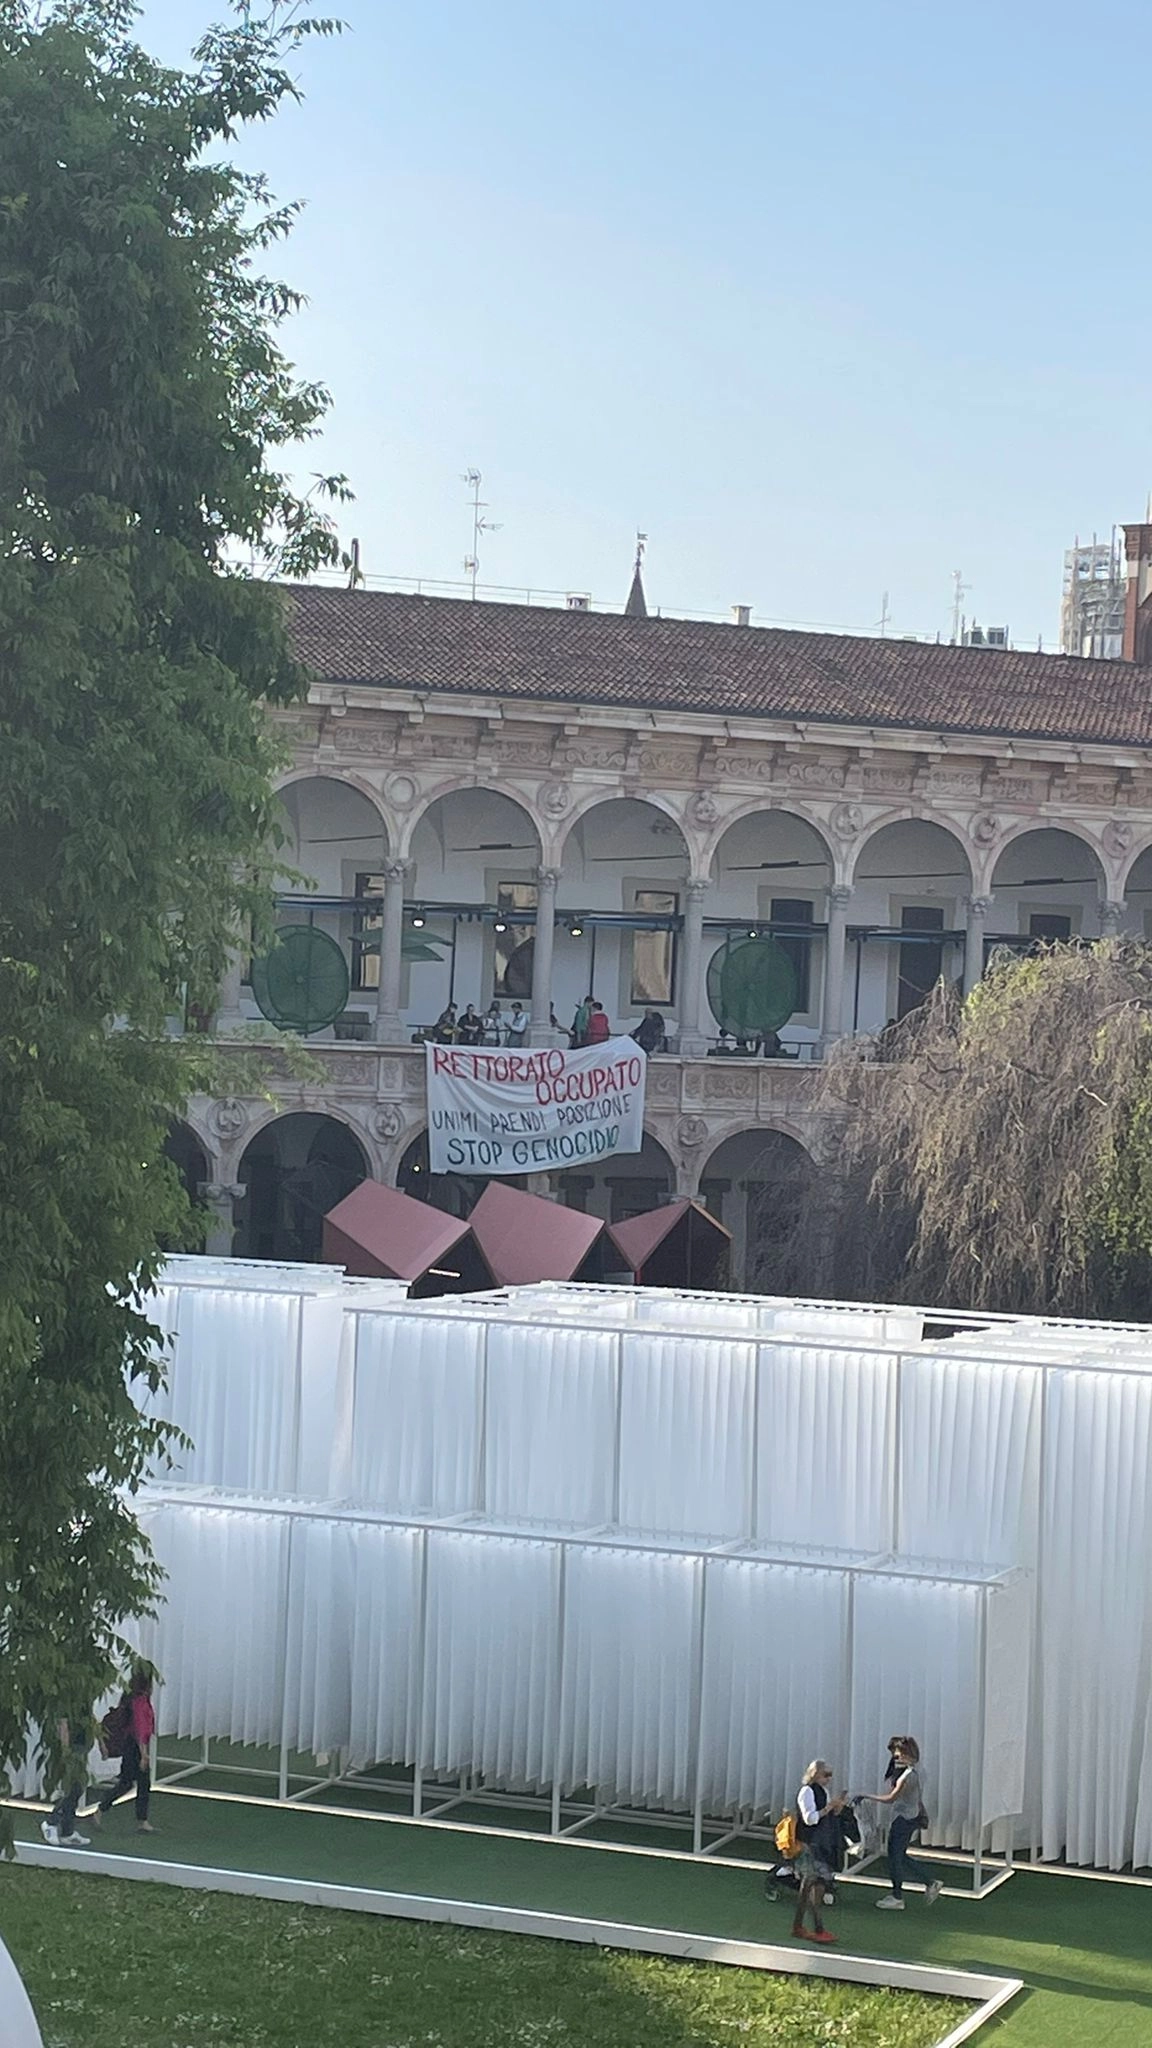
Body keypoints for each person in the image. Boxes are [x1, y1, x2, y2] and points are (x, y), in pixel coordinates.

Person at [858, 1736, 942, 1910]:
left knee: (895, 1858)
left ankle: (898, 1896)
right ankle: (928, 1882)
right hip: (910, 1816)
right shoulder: (917, 1770)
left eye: (899, 1755)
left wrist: (867, 1796)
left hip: (903, 1819)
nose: (897, 1758)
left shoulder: (909, 1775)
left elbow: (891, 1798)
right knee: (899, 1856)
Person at [93, 1667, 155, 1835]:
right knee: (134, 1783)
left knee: (132, 1783)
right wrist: (144, 1754)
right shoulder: (140, 1701)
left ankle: (139, 1819)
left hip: (131, 1745)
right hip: (136, 1746)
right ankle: (104, 1810)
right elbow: (140, 1729)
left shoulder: (130, 1698)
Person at [791, 1759, 845, 1943]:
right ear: (815, 1774)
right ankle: (816, 1928)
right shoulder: (807, 1791)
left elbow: (825, 1815)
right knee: (814, 1884)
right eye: (826, 1775)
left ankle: (803, 1926)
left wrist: (836, 1808)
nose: (829, 1779)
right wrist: (829, 1808)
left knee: (810, 1886)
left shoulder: (822, 1791)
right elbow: (810, 1818)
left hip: (819, 1843)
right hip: (809, 1844)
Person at [41, 1710, 91, 1849]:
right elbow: (63, 1723)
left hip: (80, 1747)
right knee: (72, 1788)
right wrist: (65, 1750)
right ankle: (51, 1822)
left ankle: (67, 1831)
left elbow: (90, 1722)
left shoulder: (84, 1700)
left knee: (77, 1789)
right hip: (72, 1748)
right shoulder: (70, 1699)